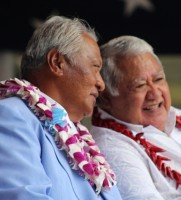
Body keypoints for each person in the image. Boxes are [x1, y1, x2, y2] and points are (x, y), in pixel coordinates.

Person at [0, 15, 122, 200]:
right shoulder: (10, 115)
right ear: (57, 62)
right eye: (95, 67)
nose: (101, 84)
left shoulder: (79, 136)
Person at [90, 35, 181, 200]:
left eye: (159, 79)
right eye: (140, 85)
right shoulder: (110, 148)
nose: (155, 93)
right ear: (105, 98)